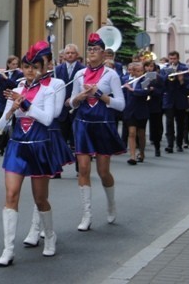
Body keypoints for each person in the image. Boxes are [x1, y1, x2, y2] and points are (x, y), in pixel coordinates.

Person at [0, 42, 64, 266]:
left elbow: (47, 119)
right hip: (17, 146)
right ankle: (8, 249)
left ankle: (50, 235)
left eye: (35, 66)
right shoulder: (16, 88)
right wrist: (11, 110)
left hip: (39, 146)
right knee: (11, 195)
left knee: (40, 198)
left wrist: (25, 104)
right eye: (27, 66)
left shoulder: (49, 89)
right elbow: (1, 125)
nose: (30, 71)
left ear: (44, 67)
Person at [70, 33, 126, 231]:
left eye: (95, 49)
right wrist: (79, 97)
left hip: (103, 124)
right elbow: (71, 103)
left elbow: (120, 104)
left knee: (103, 171)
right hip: (83, 124)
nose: (91, 52)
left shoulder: (111, 75)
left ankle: (111, 203)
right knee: (83, 169)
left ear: (103, 53)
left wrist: (99, 95)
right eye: (89, 49)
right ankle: (86, 214)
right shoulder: (79, 74)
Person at [54, 44, 84, 153]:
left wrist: (73, 99)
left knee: (76, 138)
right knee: (61, 135)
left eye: (72, 53)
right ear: (64, 55)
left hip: (77, 108)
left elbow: (84, 88)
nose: (70, 55)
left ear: (77, 55)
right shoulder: (57, 70)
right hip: (62, 108)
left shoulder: (83, 70)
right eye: (68, 53)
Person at [0, 55, 23, 156]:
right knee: (2, 125)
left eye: (16, 64)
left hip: (14, 103)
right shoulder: (3, 74)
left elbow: (14, 85)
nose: (15, 66)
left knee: (13, 126)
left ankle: (11, 147)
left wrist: (5, 77)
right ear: (8, 64)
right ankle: (0, 148)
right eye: (13, 64)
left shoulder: (19, 74)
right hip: (3, 103)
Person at [160, 51, 189, 153]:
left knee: (180, 123)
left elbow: (188, 86)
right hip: (169, 99)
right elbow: (162, 84)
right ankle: (170, 144)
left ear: (178, 58)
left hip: (180, 99)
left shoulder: (184, 68)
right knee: (169, 123)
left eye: (174, 59)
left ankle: (179, 144)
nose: (172, 61)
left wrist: (181, 80)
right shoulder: (164, 69)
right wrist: (168, 75)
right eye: (171, 59)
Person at [122, 62, 150, 165]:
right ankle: (132, 156)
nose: (138, 73)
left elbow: (144, 92)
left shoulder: (146, 80)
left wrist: (131, 89)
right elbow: (124, 95)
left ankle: (141, 152)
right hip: (130, 110)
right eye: (136, 71)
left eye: (140, 71)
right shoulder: (127, 80)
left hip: (141, 110)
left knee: (141, 134)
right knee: (132, 132)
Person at [142, 56, 164, 157]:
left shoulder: (158, 77)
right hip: (143, 105)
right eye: (147, 66)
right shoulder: (141, 76)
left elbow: (161, 91)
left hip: (155, 105)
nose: (149, 68)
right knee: (141, 127)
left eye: (151, 66)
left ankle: (157, 147)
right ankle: (141, 149)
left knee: (155, 127)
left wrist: (153, 90)